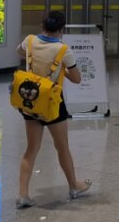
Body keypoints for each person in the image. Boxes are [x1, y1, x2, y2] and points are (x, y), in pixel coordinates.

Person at [15, 11, 92, 209]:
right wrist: (61, 69)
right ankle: (74, 186)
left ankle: (23, 195)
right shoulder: (63, 50)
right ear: (61, 29)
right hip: (53, 104)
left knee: (31, 149)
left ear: (43, 25)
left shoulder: (29, 40)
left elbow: (19, 52)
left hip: (30, 101)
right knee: (62, 146)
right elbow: (77, 78)